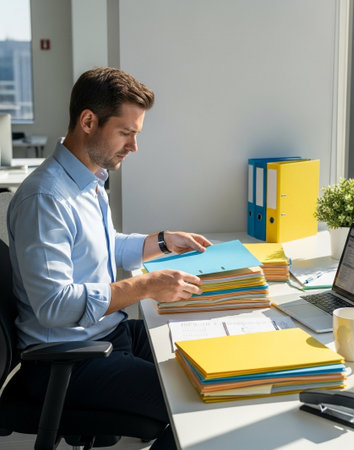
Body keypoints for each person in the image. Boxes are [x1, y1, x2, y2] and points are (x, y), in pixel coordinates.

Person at [7, 67, 211, 449]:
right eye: (126, 132)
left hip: (105, 336)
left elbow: (106, 246)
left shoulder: (89, 180)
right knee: (190, 401)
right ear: (88, 121)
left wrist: (164, 241)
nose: (133, 146)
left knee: (200, 358)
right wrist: (146, 286)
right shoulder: (44, 199)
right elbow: (54, 306)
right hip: (65, 361)